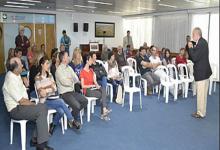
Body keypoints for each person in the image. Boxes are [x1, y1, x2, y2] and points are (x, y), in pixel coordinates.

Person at [2, 57, 53, 150]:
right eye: (20, 64)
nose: (22, 65)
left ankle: (34, 139)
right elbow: (21, 101)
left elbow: (22, 76)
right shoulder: (10, 80)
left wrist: (23, 77)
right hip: (16, 109)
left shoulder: (15, 74)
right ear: (15, 68)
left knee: (43, 107)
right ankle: (41, 145)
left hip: (22, 105)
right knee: (41, 109)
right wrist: (33, 104)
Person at [35, 56, 81, 135]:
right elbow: (42, 93)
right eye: (46, 63)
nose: (48, 65)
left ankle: (53, 125)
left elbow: (55, 88)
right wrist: (50, 87)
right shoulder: (37, 77)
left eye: (49, 63)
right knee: (61, 101)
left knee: (61, 111)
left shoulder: (50, 75)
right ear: (42, 65)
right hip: (44, 101)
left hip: (52, 99)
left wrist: (46, 88)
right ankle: (72, 120)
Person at [56, 51, 88, 121]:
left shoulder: (69, 68)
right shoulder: (59, 70)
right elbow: (64, 82)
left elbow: (76, 79)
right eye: (67, 56)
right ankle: (73, 121)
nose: (69, 58)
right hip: (64, 94)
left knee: (85, 101)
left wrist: (69, 79)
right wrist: (71, 80)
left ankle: (71, 116)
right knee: (77, 105)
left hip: (71, 92)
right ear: (63, 59)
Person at [188, 27, 212, 119]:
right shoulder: (203, 42)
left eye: (193, 35)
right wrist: (194, 47)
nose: (192, 37)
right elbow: (198, 55)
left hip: (201, 73)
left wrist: (190, 48)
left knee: (201, 94)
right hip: (205, 72)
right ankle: (202, 111)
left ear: (197, 35)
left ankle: (200, 113)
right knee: (203, 95)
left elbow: (194, 57)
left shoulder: (201, 43)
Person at [80, 52, 111, 121]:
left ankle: (104, 110)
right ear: (87, 61)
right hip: (87, 90)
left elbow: (95, 81)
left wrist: (96, 84)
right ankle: (103, 112)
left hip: (93, 88)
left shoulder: (91, 70)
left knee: (103, 91)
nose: (92, 61)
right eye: (91, 60)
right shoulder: (82, 72)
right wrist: (92, 85)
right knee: (104, 94)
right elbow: (82, 86)